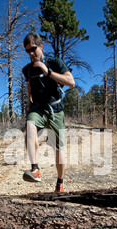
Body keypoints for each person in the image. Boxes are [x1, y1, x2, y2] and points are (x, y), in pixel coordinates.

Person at [22, 32, 75, 192]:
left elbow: (71, 82)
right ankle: (35, 169)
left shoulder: (55, 62)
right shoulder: (27, 69)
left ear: (41, 46)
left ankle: (60, 181)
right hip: (38, 106)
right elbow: (29, 85)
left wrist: (48, 72)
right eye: (27, 51)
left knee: (58, 148)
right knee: (30, 125)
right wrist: (29, 101)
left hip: (56, 108)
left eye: (33, 49)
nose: (31, 54)